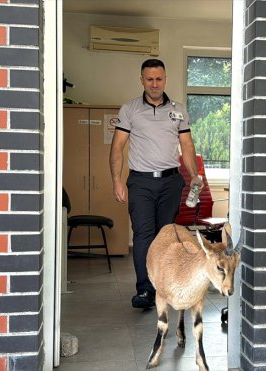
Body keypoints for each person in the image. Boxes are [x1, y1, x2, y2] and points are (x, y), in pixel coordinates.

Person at [109, 58, 203, 309]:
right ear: (142, 80)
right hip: (140, 182)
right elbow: (117, 146)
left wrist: (193, 174)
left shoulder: (178, 109)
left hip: (171, 181)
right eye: (149, 79)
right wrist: (117, 180)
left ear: (165, 79)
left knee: (167, 238)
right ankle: (145, 291)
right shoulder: (129, 110)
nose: (154, 84)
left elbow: (187, 145)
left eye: (158, 79)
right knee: (143, 235)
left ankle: (165, 286)